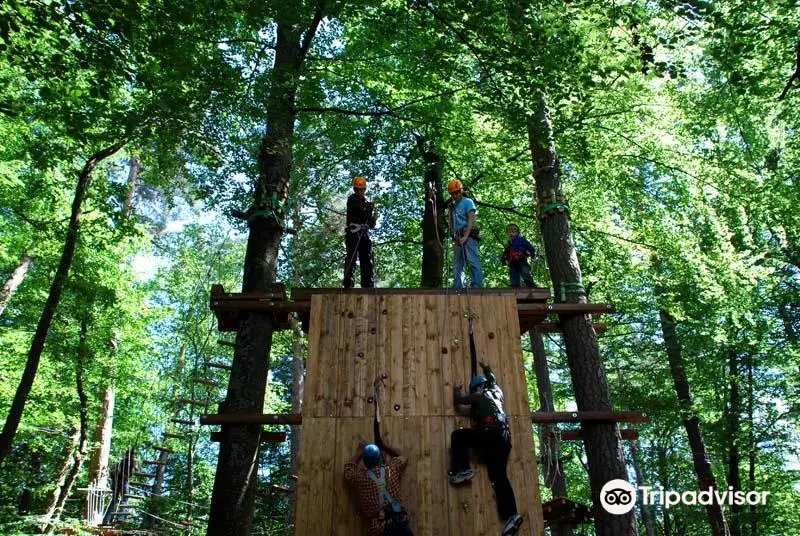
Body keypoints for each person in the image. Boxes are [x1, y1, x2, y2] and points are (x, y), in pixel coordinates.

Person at [449, 362, 523, 536]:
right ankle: (512, 515)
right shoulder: (498, 393)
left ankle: (463, 470)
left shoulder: (479, 396)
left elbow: (460, 401)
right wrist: (488, 368)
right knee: (499, 477)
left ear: (477, 388)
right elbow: (493, 380)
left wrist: (456, 389)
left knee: (457, 436)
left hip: (490, 433)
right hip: (504, 441)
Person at [344, 439, 413, 536]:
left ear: (365, 462)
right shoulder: (392, 468)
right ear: (380, 458)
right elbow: (403, 457)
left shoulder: (361, 478)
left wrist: (360, 451)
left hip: (380, 530)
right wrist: (385, 446)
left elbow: (348, 470)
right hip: (401, 524)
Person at [447, 179, 483, 288]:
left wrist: (466, 236)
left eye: (457, 192)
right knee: (457, 264)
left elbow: (471, 220)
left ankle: (477, 286)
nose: (455, 195)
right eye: (453, 193)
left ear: (461, 191)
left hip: (469, 235)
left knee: (473, 260)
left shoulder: (468, 202)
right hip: (458, 237)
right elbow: (452, 225)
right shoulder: (453, 206)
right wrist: (450, 211)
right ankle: (458, 287)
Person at [344, 176, 377, 288]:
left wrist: (374, 218)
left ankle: (367, 283)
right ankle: (348, 282)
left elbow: (370, 223)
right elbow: (361, 211)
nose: (359, 191)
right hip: (353, 232)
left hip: (363, 233)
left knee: (367, 256)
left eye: (361, 189)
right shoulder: (352, 199)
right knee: (351, 256)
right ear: (354, 189)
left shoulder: (365, 203)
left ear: (364, 190)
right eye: (357, 189)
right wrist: (370, 207)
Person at [500, 223, 537, 288]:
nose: (511, 233)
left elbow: (530, 247)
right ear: (507, 234)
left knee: (525, 274)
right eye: (509, 232)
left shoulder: (521, 240)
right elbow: (505, 254)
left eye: (513, 231)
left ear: (517, 233)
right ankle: (515, 289)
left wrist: (533, 255)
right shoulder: (509, 245)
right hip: (512, 263)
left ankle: (532, 287)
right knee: (513, 278)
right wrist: (503, 260)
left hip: (521, 260)